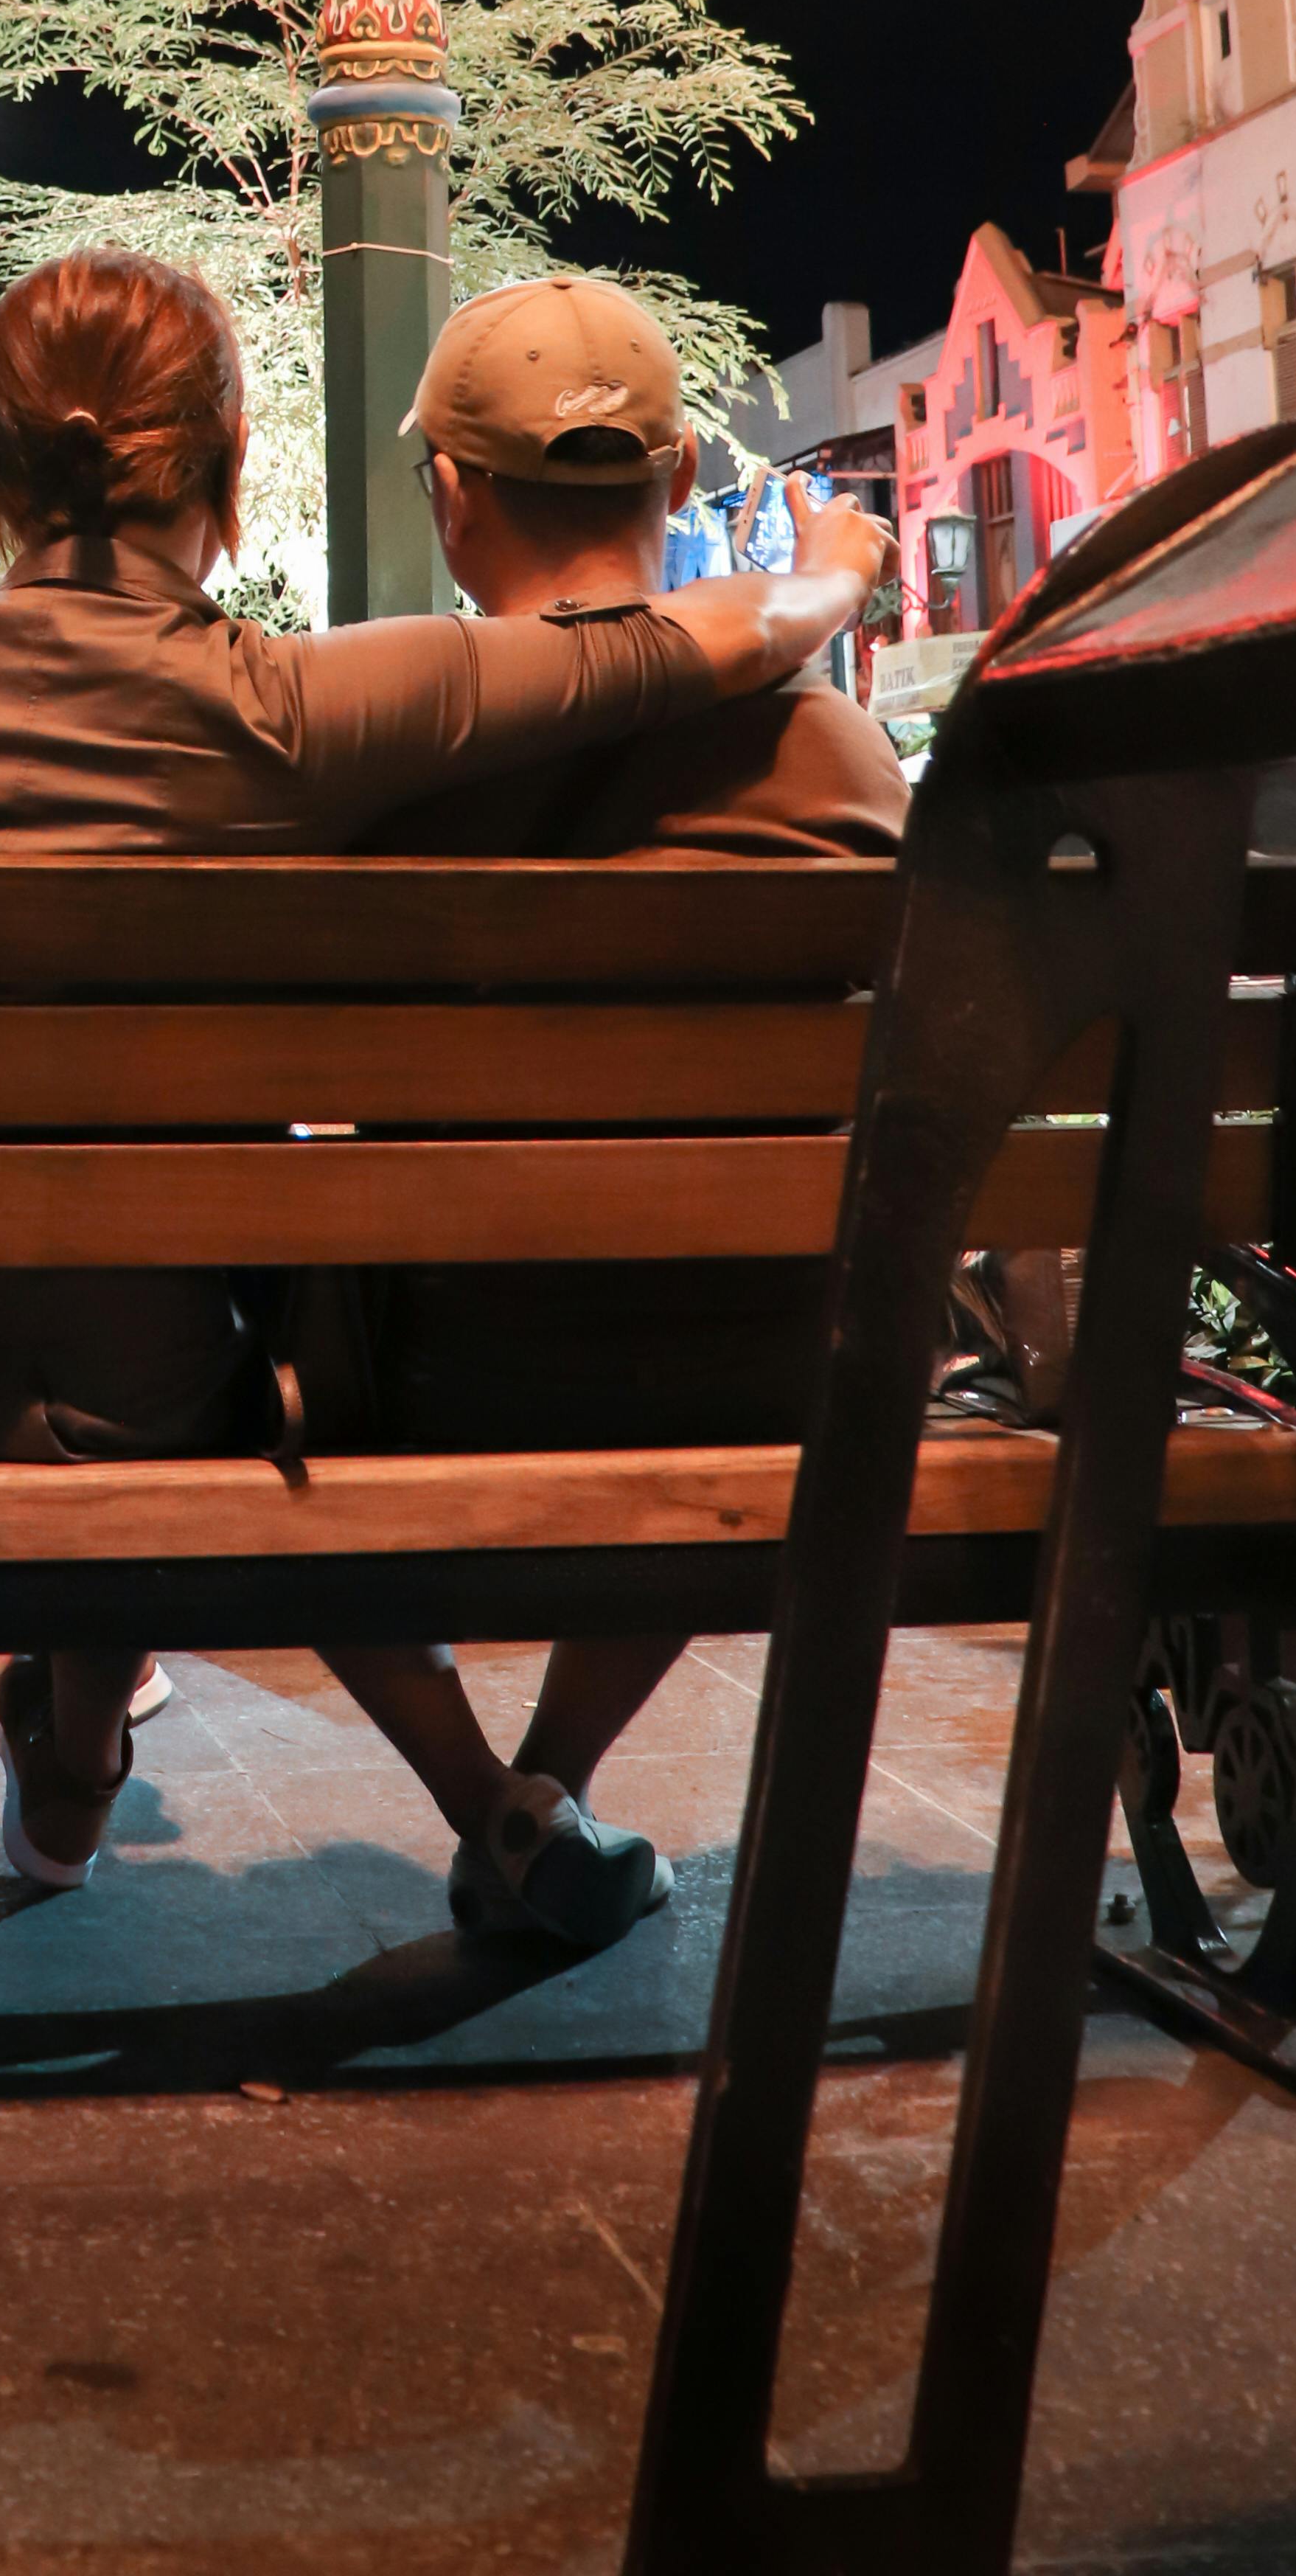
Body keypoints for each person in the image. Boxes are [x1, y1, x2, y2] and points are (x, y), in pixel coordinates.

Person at [0, 246, 888, 1939]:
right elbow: (675, 647)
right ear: (229, 463)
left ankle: (74, 1756)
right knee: (155, 1313)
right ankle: (457, 1791)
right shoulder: (286, 710)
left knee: (129, 1280)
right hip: (151, 1406)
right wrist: (830, 571)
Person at [346, 274, 910, 1821]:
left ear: (451, 500)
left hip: (438, 1384)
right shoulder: (842, 758)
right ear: (674, 487)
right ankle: (547, 1789)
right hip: (764, 1377)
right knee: (713, 1301)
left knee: (228, 1364)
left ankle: (489, 1806)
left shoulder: (395, 758)